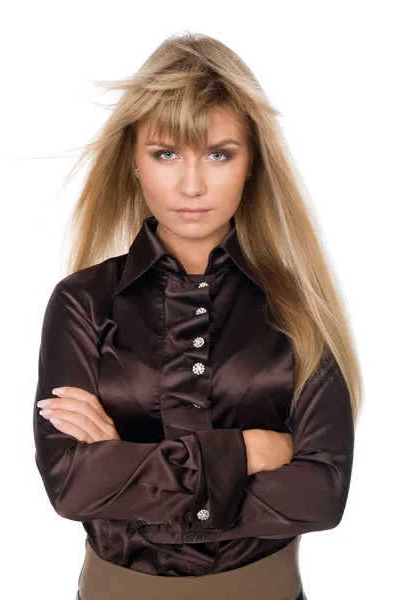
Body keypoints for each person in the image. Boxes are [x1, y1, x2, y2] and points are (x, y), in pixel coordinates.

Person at [33, 31, 362, 600]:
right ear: (133, 162)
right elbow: (71, 486)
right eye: (165, 154)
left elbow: (321, 495)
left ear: (252, 161)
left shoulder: (301, 310)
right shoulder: (82, 303)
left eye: (218, 153)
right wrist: (250, 453)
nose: (191, 184)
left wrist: (127, 464)